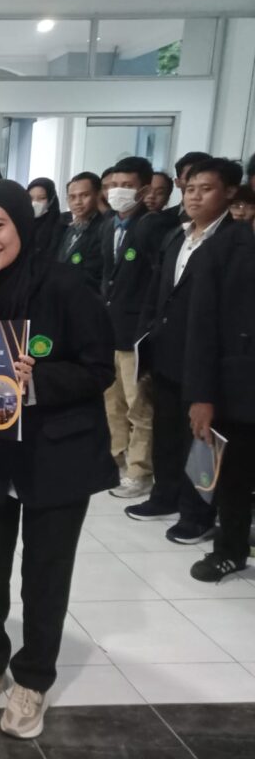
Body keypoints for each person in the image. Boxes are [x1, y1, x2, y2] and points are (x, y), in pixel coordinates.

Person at [0, 180, 117, 739]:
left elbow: (99, 368)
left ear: (22, 225)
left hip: (57, 456)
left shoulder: (66, 286)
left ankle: (33, 678)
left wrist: (37, 382)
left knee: (45, 574)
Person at [128, 158, 243, 545]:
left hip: (207, 361)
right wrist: (146, 339)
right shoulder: (176, 236)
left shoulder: (235, 243)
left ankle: (197, 515)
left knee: (201, 439)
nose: (195, 197)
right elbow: (157, 293)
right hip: (167, 353)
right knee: (167, 432)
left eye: (205, 189)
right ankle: (165, 496)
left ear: (229, 192)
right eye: (190, 189)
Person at [184, 201, 255, 581]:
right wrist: (202, 395)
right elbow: (201, 328)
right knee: (235, 476)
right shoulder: (224, 249)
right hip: (238, 388)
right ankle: (230, 550)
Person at [101, 156, 159, 499]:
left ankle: (139, 471)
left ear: (144, 190)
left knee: (139, 407)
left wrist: (146, 330)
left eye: (127, 185)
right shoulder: (109, 225)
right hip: (109, 329)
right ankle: (117, 459)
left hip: (136, 333)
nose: (118, 191)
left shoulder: (151, 227)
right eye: (113, 185)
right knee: (113, 403)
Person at [55, 172, 105, 291]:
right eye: (72, 197)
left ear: (98, 195)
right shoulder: (67, 226)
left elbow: (93, 274)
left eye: (84, 195)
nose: (77, 202)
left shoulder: (103, 228)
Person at [27, 177, 65, 257]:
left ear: (51, 200)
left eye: (42, 198)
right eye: (31, 198)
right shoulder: (22, 223)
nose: (35, 203)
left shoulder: (60, 226)